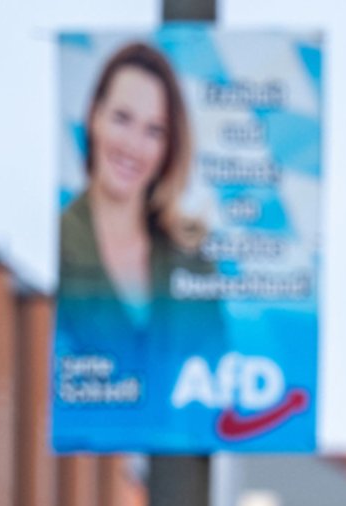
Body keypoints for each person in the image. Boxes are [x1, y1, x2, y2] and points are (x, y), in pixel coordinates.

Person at [55, 41, 223, 373]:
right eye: (122, 118)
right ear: (93, 117)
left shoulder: (192, 256)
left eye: (154, 130)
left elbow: (221, 375)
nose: (133, 145)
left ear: (169, 145)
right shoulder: (54, 246)